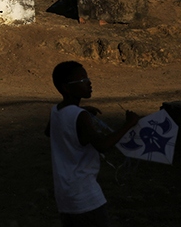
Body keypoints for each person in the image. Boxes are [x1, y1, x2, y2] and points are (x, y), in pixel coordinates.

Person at [46, 61, 140, 226]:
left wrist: (80, 111)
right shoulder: (80, 116)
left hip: (65, 197)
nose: (89, 82)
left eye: (87, 77)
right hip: (86, 198)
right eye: (82, 79)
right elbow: (102, 145)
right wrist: (129, 124)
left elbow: (49, 130)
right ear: (66, 88)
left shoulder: (57, 110)